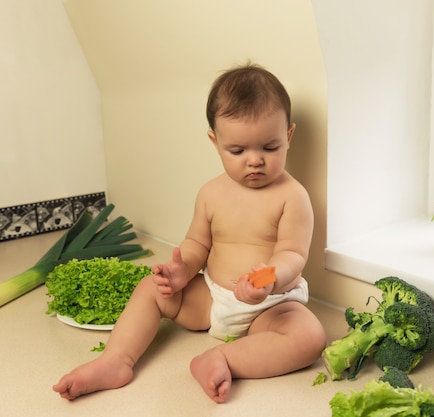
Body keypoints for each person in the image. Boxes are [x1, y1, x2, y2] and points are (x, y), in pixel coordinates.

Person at [52, 64, 327, 404]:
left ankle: (223, 359)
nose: (254, 160)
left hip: (271, 307)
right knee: (151, 288)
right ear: (216, 142)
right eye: (238, 151)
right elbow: (197, 243)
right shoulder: (211, 193)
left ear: (288, 135)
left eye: (269, 148)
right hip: (212, 298)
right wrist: (182, 271)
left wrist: (270, 280)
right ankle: (115, 361)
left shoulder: (292, 196)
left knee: (310, 337)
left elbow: (293, 254)